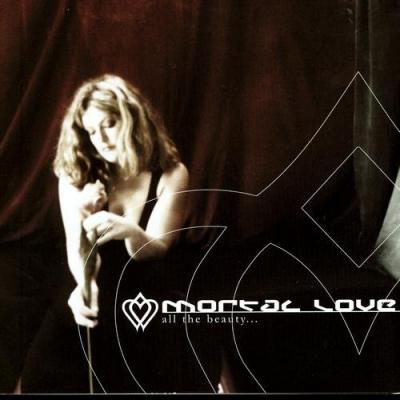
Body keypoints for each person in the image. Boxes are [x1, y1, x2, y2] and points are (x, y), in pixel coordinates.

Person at [20, 74, 220, 393]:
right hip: (93, 279)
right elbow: (76, 248)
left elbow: (155, 248)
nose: (101, 139)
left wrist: (129, 231)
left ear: (132, 119)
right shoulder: (75, 173)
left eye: (109, 124)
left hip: (146, 287)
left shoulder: (172, 173)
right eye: (91, 131)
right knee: (44, 371)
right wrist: (85, 284)